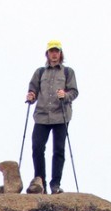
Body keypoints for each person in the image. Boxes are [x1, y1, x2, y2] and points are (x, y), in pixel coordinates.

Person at [25, 40, 78, 194]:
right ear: (47, 54)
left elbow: (74, 92)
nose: (54, 54)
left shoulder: (68, 72)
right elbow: (33, 89)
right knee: (37, 147)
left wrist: (65, 95)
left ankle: (55, 185)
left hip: (61, 115)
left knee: (58, 150)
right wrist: (31, 95)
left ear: (60, 54)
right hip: (41, 115)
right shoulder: (40, 72)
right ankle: (39, 182)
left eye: (57, 51)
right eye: (51, 51)